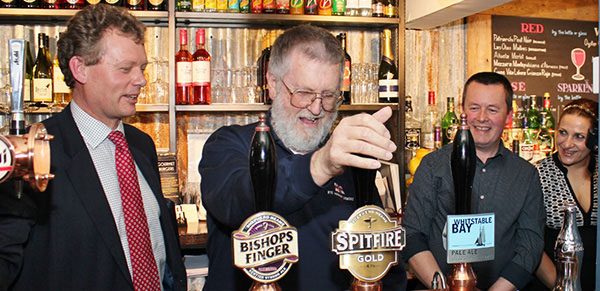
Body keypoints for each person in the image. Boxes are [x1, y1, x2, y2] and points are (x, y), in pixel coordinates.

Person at [198, 24, 406, 290]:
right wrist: (322, 165)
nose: (317, 108)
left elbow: (382, 258)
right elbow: (237, 203)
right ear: (273, 83)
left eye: (329, 96)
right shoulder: (231, 144)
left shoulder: (349, 161)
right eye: (304, 93)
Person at [0, 4, 186, 290]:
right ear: (80, 69)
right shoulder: (32, 152)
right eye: (125, 69)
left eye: (142, 68)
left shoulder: (141, 144)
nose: (141, 80)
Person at [402, 72, 545, 290]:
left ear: (508, 116)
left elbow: (530, 246)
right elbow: (413, 234)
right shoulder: (432, 166)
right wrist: (444, 287)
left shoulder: (526, 175)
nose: (481, 118)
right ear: (463, 110)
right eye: (474, 107)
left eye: (493, 109)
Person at [531, 99, 598, 290]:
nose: (567, 144)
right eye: (562, 133)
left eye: (579, 136)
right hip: (552, 285)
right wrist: (563, 286)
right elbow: (529, 243)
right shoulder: (537, 175)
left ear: (595, 139)